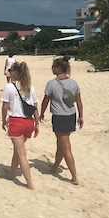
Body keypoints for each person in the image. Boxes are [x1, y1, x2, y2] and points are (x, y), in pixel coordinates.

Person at [39, 56, 83, 185]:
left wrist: (41, 113)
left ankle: (74, 176)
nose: (52, 69)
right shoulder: (73, 82)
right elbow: (79, 101)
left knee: (65, 146)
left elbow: (46, 100)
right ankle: (54, 166)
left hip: (59, 116)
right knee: (61, 143)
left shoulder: (52, 84)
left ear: (58, 68)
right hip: (71, 115)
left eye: (53, 67)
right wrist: (81, 116)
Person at [1, 61, 39, 190]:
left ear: (16, 73)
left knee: (21, 153)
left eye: (10, 70)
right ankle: (11, 173)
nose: (9, 72)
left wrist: (3, 119)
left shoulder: (9, 87)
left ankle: (29, 183)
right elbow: (35, 107)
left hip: (16, 121)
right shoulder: (30, 87)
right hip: (29, 122)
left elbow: (5, 107)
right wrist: (37, 123)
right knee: (17, 150)